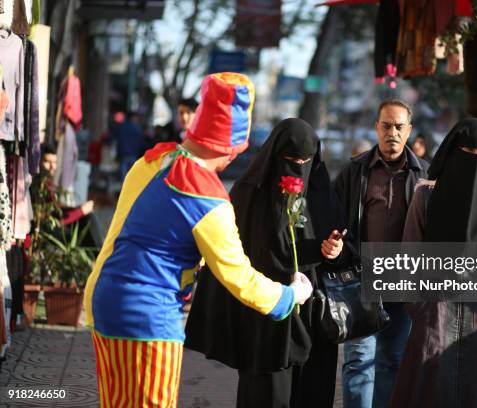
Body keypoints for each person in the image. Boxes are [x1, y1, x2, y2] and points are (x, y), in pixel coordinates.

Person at [83, 73, 313, 408]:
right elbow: (238, 276)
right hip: (150, 318)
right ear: (231, 148)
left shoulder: (152, 161)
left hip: (103, 300)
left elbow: (117, 234)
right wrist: (290, 295)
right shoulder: (208, 197)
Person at [185, 118, 353, 408]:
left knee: (311, 392)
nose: (298, 167)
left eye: (305, 160)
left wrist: (334, 249)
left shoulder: (321, 191)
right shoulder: (249, 192)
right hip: (266, 318)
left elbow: (343, 246)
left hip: (315, 318)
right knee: (266, 395)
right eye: (290, 160)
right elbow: (234, 253)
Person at [391, 117, 477, 408]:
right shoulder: (426, 195)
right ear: (453, 152)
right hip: (434, 312)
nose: (476, 162)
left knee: (475, 395)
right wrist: (422, 309)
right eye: (469, 154)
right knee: (430, 394)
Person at [334, 99, 429, 408]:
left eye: (399, 126)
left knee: (394, 361)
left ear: (409, 131)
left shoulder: (423, 177)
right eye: (386, 125)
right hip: (361, 282)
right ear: (376, 127)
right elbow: (332, 215)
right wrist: (337, 246)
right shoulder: (355, 171)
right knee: (359, 361)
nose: (392, 132)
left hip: (403, 285)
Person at [111, 111, 145, 182]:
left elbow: (114, 138)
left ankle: (123, 191)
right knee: (132, 177)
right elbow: (141, 143)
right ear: (134, 118)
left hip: (123, 154)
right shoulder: (138, 129)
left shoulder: (121, 127)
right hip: (134, 155)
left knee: (123, 178)